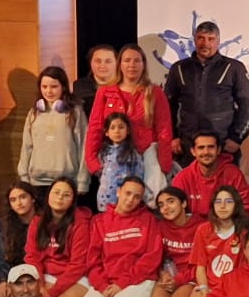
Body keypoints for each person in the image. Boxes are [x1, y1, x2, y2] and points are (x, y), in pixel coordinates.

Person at [164, 20, 249, 166]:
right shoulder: (179, 68)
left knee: (224, 190)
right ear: (194, 40)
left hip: (223, 145)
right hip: (188, 147)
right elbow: (167, 106)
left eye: (210, 39)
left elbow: (248, 106)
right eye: (201, 38)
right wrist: (173, 137)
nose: (205, 43)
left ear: (218, 41)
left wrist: (237, 138)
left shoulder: (234, 68)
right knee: (188, 189)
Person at [87, 43, 175, 185]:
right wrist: (93, 163)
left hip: (147, 159)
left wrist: (164, 165)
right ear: (119, 64)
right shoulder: (104, 92)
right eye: (127, 60)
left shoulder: (155, 92)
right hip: (113, 160)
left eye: (136, 60)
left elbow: (164, 131)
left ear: (143, 65)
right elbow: (95, 128)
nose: (131, 65)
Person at [19, 66, 88, 196]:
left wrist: (82, 181)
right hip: (37, 182)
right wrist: (24, 178)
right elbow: (26, 147)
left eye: (54, 86)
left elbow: (83, 147)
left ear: (63, 87)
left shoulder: (75, 112)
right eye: (44, 87)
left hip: (67, 180)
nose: (49, 91)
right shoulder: (34, 113)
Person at [28, 178, 93, 297]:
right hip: (46, 274)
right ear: (48, 195)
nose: (60, 198)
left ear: (73, 200)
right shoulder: (37, 221)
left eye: (66, 195)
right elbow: (32, 257)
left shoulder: (80, 223)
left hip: (76, 277)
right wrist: (39, 285)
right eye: (56, 192)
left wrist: (52, 292)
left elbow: (78, 265)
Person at [171, 128, 249, 220]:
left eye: (211, 147)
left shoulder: (233, 174)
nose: (206, 152)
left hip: (227, 228)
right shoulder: (182, 178)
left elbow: (247, 207)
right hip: (193, 231)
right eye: (201, 148)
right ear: (193, 151)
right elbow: (175, 211)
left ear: (218, 150)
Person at [90, 112, 159, 209]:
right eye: (113, 128)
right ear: (106, 132)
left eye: (121, 127)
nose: (117, 131)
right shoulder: (103, 152)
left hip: (125, 201)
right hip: (105, 200)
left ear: (128, 131)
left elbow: (138, 176)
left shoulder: (132, 154)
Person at [71, 44, 118, 116]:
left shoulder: (124, 86)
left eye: (108, 61)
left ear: (117, 63)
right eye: (98, 61)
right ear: (90, 63)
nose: (102, 65)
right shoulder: (79, 86)